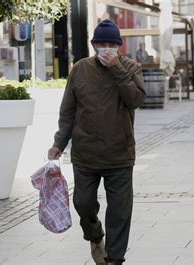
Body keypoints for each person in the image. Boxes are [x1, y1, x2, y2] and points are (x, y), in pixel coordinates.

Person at [48, 19, 145, 265]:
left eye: (111, 44)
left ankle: (114, 259)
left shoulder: (131, 68)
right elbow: (68, 111)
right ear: (93, 45)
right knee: (82, 202)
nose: (106, 48)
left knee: (120, 212)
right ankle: (94, 234)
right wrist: (59, 143)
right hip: (85, 154)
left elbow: (135, 99)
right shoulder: (80, 69)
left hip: (119, 154)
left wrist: (116, 69)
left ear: (119, 46)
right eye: (101, 44)